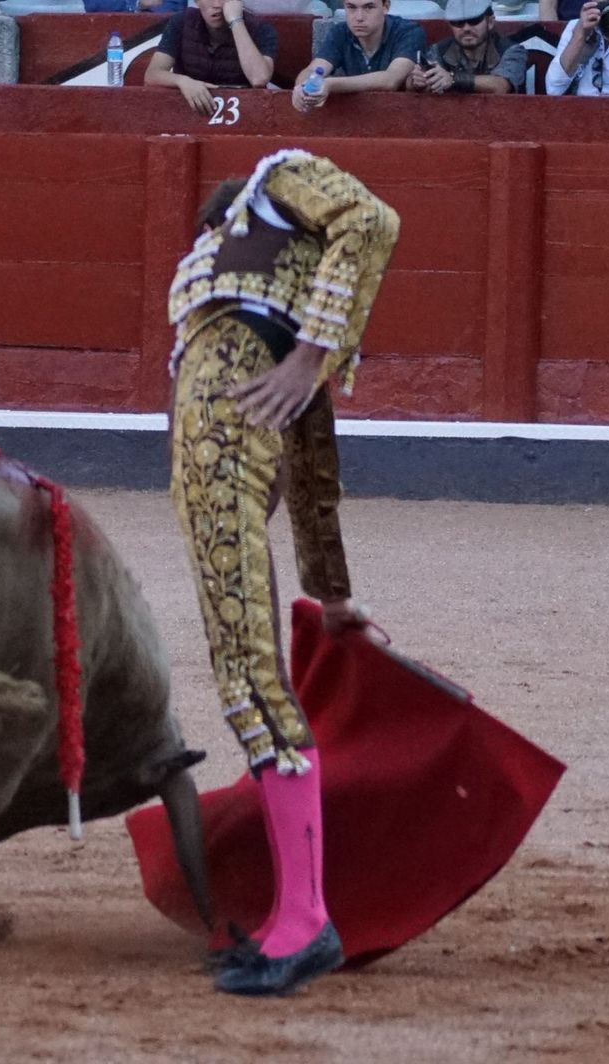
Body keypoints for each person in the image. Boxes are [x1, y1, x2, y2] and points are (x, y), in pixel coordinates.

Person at [166, 150, 399, 996]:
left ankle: (305, 922)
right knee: (251, 676)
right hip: (224, 441)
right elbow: (312, 460)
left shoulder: (275, 179)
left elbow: (373, 220)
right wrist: (332, 596)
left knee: (248, 680)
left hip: (217, 436)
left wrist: (309, 353)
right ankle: (290, 915)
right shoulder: (273, 301)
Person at [144, 0, 279, 114]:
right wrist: (183, 82)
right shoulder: (182, 22)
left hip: (244, 115)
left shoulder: (260, 29)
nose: (216, 4)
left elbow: (259, 79)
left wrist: (236, 22)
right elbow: (152, 75)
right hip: (189, 114)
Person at [291, 0, 427, 112]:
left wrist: (330, 84)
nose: (359, 17)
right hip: (355, 119)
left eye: (369, 7)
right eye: (351, 7)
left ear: (386, 7)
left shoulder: (409, 32)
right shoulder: (340, 32)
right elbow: (314, 69)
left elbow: (391, 79)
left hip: (400, 117)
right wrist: (303, 86)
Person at [409, 0, 527, 95]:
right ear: (450, 26)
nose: (466, 28)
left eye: (474, 21)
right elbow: (413, 84)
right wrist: (417, 81)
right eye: (458, 23)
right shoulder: (439, 50)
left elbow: (500, 86)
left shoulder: (512, 51)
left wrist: (453, 79)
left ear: (490, 22)